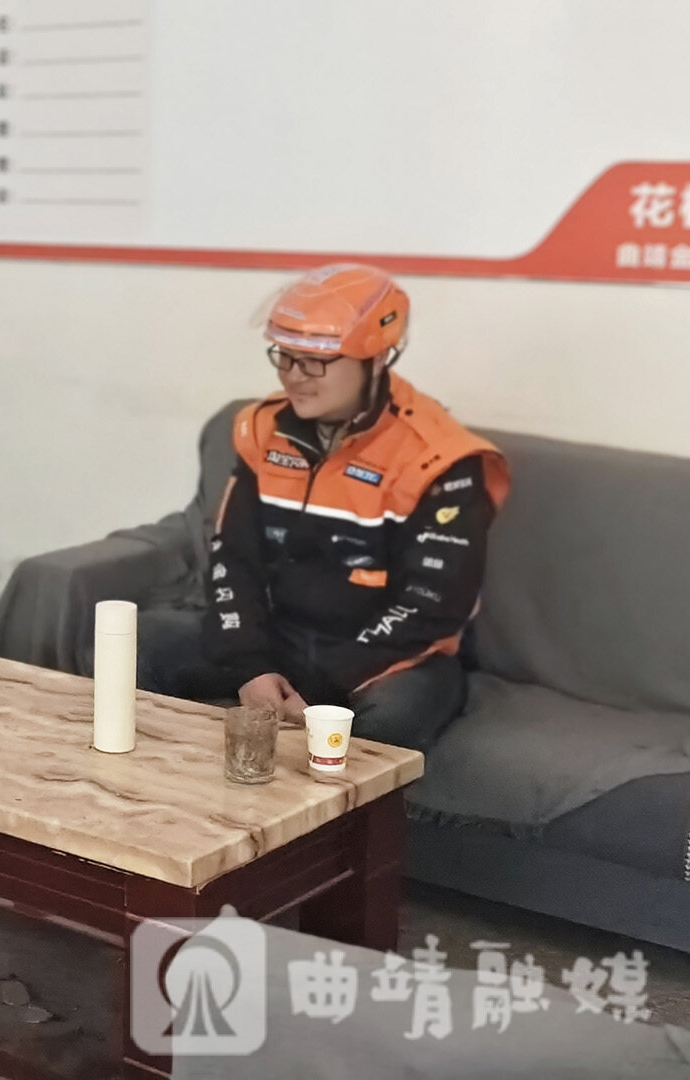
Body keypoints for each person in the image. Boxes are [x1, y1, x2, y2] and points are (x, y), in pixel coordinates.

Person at [139, 263, 510, 751]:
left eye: (315, 361)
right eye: (286, 357)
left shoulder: (441, 457)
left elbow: (432, 606)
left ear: (376, 357)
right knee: (134, 645)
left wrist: (320, 684)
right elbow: (234, 558)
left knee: (389, 721)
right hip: (282, 638)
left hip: (392, 658)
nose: (295, 377)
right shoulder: (262, 430)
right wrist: (251, 667)